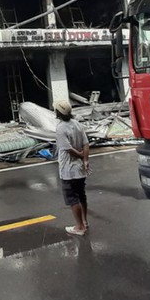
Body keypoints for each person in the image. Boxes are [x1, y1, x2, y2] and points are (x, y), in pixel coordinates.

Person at [54, 100, 90, 236]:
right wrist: (85, 159)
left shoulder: (61, 128)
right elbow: (86, 143)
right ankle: (85, 221)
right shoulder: (77, 124)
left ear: (57, 113)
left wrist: (80, 155)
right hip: (80, 168)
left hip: (68, 169)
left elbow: (68, 149)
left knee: (72, 198)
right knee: (82, 195)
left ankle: (80, 227)